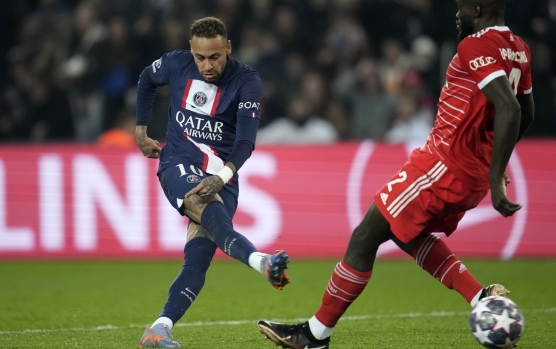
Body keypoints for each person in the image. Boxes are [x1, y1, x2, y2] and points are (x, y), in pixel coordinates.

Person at [257, 0, 534, 348]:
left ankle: (314, 335)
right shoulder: (519, 49)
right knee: (404, 231)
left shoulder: (474, 44)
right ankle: (479, 296)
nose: (457, 12)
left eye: (461, 6)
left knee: (364, 236)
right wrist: (496, 161)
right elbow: (527, 112)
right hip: (466, 169)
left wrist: (497, 178)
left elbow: (509, 108)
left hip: (444, 166)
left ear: (476, 9)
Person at [135, 17, 290, 348]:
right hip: (177, 162)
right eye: (200, 57)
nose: (207, 65)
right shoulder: (176, 63)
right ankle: (262, 262)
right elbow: (147, 79)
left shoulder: (247, 81)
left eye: (215, 57)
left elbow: (246, 142)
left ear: (227, 48)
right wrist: (140, 129)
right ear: (191, 50)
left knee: (199, 258)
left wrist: (221, 177)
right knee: (205, 207)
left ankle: (158, 329)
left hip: (223, 174)